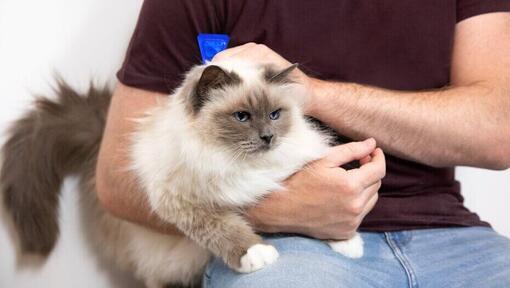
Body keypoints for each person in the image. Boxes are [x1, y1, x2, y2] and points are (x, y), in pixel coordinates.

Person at [96, 0, 510, 287]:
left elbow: (497, 132)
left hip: (449, 234)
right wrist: (278, 209)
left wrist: (313, 94)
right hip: (282, 246)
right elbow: (117, 182)